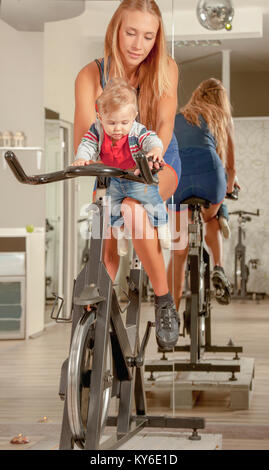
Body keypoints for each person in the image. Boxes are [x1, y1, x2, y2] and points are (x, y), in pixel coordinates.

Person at [73, 0, 181, 350]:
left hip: (156, 163)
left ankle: (164, 302)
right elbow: (83, 134)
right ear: (116, 31)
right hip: (110, 165)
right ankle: (91, 323)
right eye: (131, 33)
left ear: (157, 38)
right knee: (102, 235)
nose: (138, 44)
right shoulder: (91, 74)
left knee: (134, 210)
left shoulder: (166, 67)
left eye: (148, 36)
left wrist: (153, 155)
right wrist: (86, 159)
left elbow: (164, 122)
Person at [73, 77, 171, 253]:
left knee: (152, 201)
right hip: (115, 178)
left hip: (136, 177)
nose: (118, 128)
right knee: (112, 209)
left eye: (124, 122)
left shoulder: (136, 130)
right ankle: (121, 235)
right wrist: (82, 158)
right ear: (100, 117)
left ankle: (163, 226)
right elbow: (87, 144)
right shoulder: (97, 130)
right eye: (111, 123)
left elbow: (150, 138)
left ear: (133, 117)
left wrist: (155, 149)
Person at [167, 78, 236, 310]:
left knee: (178, 251)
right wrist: (230, 186)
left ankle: (170, 314)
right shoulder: (222, 119)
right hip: (210, 175)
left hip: (178, 178)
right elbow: (231, 168)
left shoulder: (179, 117)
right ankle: (218, 266)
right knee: (213, 216)